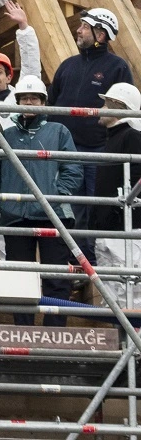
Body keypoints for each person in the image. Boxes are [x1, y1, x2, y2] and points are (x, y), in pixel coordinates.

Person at [0, 75, 83, 317]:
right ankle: (24, 330)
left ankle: (55, 333)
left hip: (52, 215)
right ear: (18, 102)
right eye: (24, 98)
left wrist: (56, 195)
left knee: (56, 278)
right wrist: (1, 201)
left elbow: (73, 169)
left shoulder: (59, 131)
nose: (29, 102)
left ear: (43, 102)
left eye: (34, 98)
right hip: (15, 216)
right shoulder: (7, 135)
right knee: (20, 279)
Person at [50, 8, 134, 157]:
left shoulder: (118, 67)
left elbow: (126, 110)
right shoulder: (67, 65)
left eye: (85, 27)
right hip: (62, 147)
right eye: (81, 25)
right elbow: (50, 102)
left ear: (101, 35)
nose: (79, 30)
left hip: (97, 151)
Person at [93, 84, 141, 291]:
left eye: (106, 103)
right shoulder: (116, 137)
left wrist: (116, 210)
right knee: (113, 296)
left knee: (129, 292)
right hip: (111, 229)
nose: (101, 109)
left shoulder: (131, 136)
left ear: (118, 106)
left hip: (125, 230)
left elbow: (137, 178)